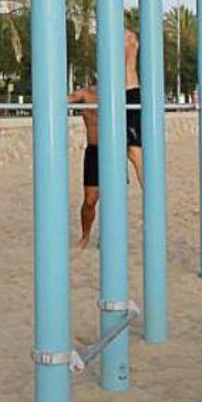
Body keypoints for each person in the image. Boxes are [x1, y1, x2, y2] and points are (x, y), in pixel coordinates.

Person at [70, 28, 144, 250]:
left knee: (115, 193)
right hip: (93, 152)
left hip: (114, 150)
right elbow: (60, 100)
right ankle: (85, 236)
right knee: (90, 200)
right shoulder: (86, 94)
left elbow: (130, 46)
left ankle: (111, 234)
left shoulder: (121, 93)